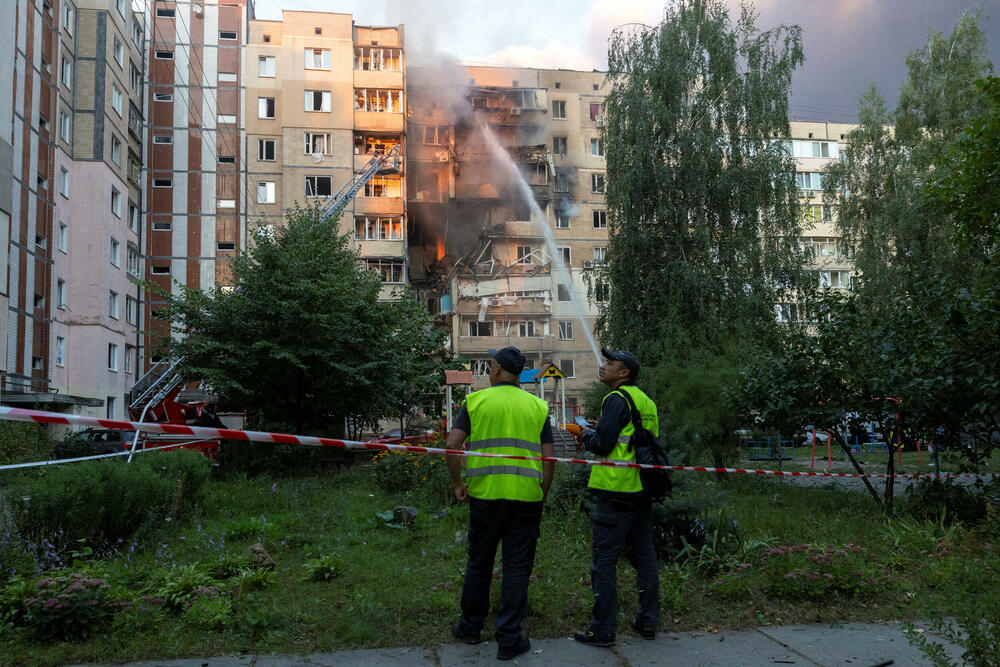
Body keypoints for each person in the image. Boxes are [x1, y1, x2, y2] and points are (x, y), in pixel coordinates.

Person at [446, 346, 555, 661]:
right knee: (517, 567)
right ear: (518, 374)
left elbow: (452, 444)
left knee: (479, 563)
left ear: (495, 369)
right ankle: (509, 638)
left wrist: (458, 484)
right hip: (526, 499)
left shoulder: (475, 401)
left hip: (485, 497)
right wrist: (542, 493)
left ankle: (470, 628)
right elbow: (549, 459)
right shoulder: (538, 406)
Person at [571, 347, 660, 647]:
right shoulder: (646, 401)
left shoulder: (615, 398)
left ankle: (603, 630)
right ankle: (647, 622)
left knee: (604, 562)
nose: (603, 365)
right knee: (645, 558)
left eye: (610, 363)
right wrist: (603, 428)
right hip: (642, 491)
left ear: (624, 373)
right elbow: (634, 438)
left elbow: (602, 446)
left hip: (615, 491)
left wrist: (586, 434)